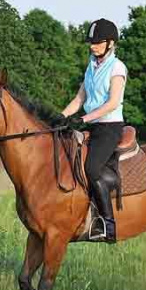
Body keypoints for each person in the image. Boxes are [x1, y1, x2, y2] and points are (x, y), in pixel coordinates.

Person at [52, 18, 127, 242]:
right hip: (93, 125)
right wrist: (60, 117)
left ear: (110, 43)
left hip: (110, 127)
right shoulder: (91, 66)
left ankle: (107, 225)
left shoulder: (117, 67)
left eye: (98, 42)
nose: (92, 46)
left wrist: (83, 119)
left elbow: (113, 103)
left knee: (92, 169)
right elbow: (79, 98)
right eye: (91, 42)